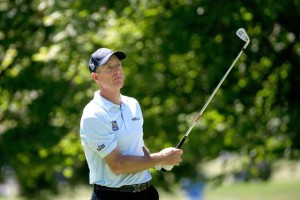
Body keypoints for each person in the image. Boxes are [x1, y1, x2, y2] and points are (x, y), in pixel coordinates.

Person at [80, 47, 183, 200]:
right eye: (109, 68)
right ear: (96, 77)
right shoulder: (94, 114)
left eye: (118, 65)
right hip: (112, 195)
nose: (117, 71)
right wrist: (159, 158)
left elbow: (137, 147)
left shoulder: (132, 104)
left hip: (147, 193)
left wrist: (158, 162)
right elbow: (117, 165)